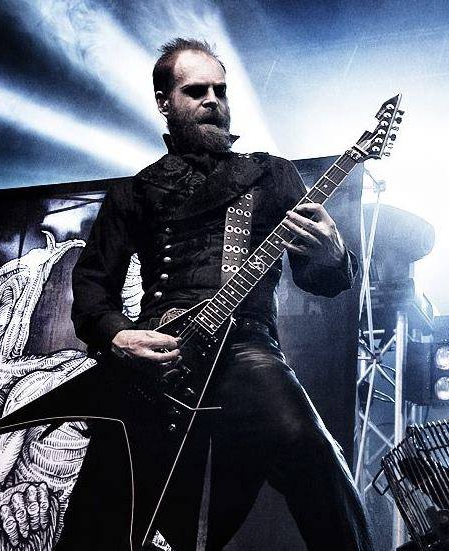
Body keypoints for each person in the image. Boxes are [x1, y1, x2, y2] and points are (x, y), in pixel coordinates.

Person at [61, 38, 373, 551]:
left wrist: (332, 252)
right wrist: (118, 337)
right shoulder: (133, 192)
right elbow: (93, 284)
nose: (212, 100)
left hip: (246, 346)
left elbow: (321, 280)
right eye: (195, 90)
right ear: (164, 101)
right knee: (101, 504)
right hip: (156, 354)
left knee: (309, 448)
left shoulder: (270, 174)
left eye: (220, 90)